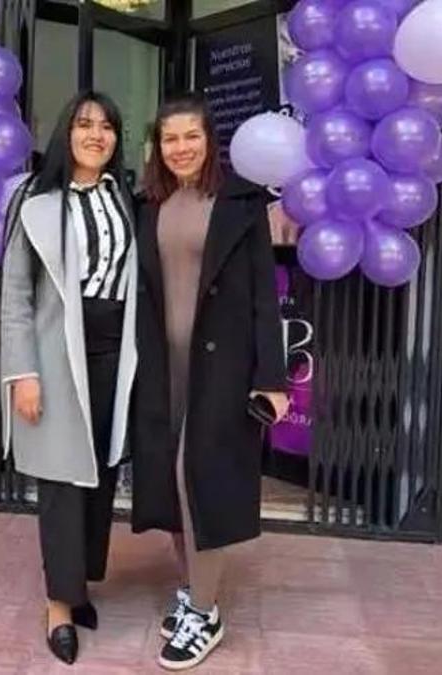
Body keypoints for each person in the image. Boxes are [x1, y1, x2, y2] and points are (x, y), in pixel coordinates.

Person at [130, 94, 289, 671]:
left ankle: (204, 611)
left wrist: (272, 377)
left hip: (221, 369)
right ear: (158, 146)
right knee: (172, 486)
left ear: (209, 139)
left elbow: (264, 302)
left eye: (190, 136)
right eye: (170, 139)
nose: (181, 148)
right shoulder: (148, 204)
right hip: (161, 369)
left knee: (198, 478)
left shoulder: (240, 204)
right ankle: (196, 588)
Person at [0, 91, 138, 666]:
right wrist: (22, 374)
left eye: (107, 126)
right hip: (57, 359)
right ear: (66, 133)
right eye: (84, 124)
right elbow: (15, 298)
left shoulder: (125, 198)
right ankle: (59, 605)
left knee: (99, 474)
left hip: (114, 354)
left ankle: (80, 586)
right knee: (60, 483)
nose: (96, 135)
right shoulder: (34, 201)